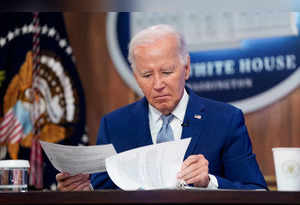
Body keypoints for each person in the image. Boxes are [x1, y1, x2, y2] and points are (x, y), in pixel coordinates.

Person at [56, 24, 267, 191]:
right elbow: (103, 194)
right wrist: (86, 190)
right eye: (146, 75)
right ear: (135, 77)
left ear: (186, 68)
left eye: (167, 72)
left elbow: (256, 192)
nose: (157, 85)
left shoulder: (225, 120)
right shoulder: (115, 126)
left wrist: (210, 182)